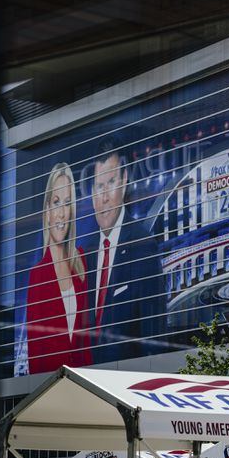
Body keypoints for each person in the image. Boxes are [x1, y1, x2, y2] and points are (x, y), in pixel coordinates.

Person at [86, 139, 150, 364]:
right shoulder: (85, 254)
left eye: (110, 183)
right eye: (99, 186)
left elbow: (152, 336)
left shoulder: (143, 245)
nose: (104, 197)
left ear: (123, 182)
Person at [25, 162, 92, 374]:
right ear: (47, 211)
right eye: (56, 202)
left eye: (67, 203)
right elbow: (35, 353)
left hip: (86, 385)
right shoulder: (37, 275)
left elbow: (87, 340)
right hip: (54, 388)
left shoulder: (81, 264)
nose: (62, 213)